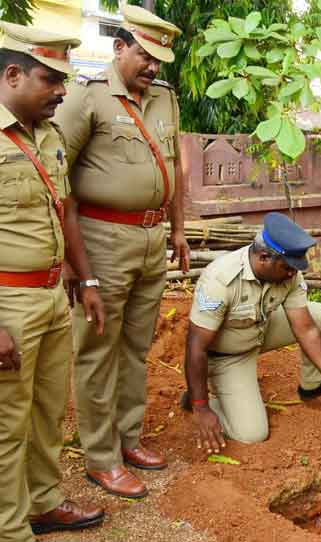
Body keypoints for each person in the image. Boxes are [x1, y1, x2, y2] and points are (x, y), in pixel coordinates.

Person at [53, 5, 189, 499]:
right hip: (102, 239)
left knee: (136, 347)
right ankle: (100, 457)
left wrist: (177, 229)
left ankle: (128, 439)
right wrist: (73, 261)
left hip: (153, 240)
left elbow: (177, 166)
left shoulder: (165, 99)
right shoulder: (86, 97)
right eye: (144, 54)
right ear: (119, 47)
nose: (152, 66)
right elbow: (55, 175)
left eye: (159, 59)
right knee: (97, 350)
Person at [0, 23, 106, 540]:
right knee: (5, 424)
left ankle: (43, 504)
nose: (63, 91)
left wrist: (86, 283)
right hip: (7, 304)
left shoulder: (48, 135)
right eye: (51, 78)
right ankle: (9, 528)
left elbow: (65, 209)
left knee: (46, 415)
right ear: (13, 74)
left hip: (49, 296)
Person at [184, 213, 321, 452]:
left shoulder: (288, 272)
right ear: (264, 257)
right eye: (287, 268)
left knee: (319, 316)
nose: (291, 274)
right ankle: (200, 398)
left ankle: (313, 386)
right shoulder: (220, 280)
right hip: (227, 355)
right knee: (252, 433)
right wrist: (201, 407)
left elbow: (306, 329)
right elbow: (196, 347)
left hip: (258, 331)